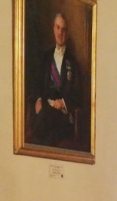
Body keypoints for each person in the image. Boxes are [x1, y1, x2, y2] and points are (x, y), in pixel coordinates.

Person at [30, 13, 81, 147]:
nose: (60, 32)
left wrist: (63, 102)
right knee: (48, 138)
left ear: (67, 32)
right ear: (53, 29)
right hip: (46, 111)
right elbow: (38, 84)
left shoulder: (73, 62)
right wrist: (38, 100)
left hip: (63, 117)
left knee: (43, 129)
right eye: (58, 28)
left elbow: (78, 95)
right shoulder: (45, 57)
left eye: (63, 29)